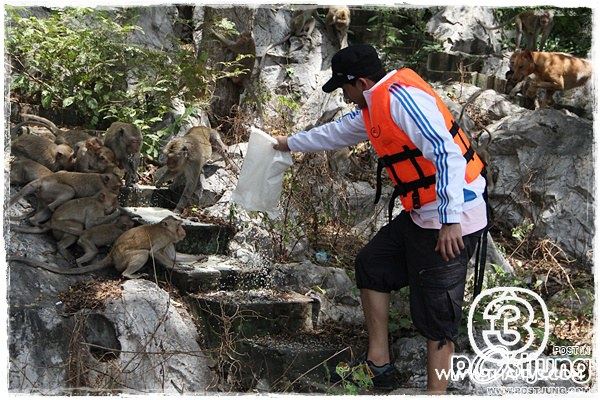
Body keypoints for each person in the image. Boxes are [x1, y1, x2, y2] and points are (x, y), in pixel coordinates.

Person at [273, 44, 487, 393]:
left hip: (452, 218)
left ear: (360, 81)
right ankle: (379, 364)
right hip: (422, 215)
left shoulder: (404, 100)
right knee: (372, 264)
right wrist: (288, 143)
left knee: (437, 317)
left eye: (344, 89)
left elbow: (448, 155)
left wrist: (451, 220)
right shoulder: (375, 104)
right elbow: (335, 133)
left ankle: (436, 393)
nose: (344, 97)